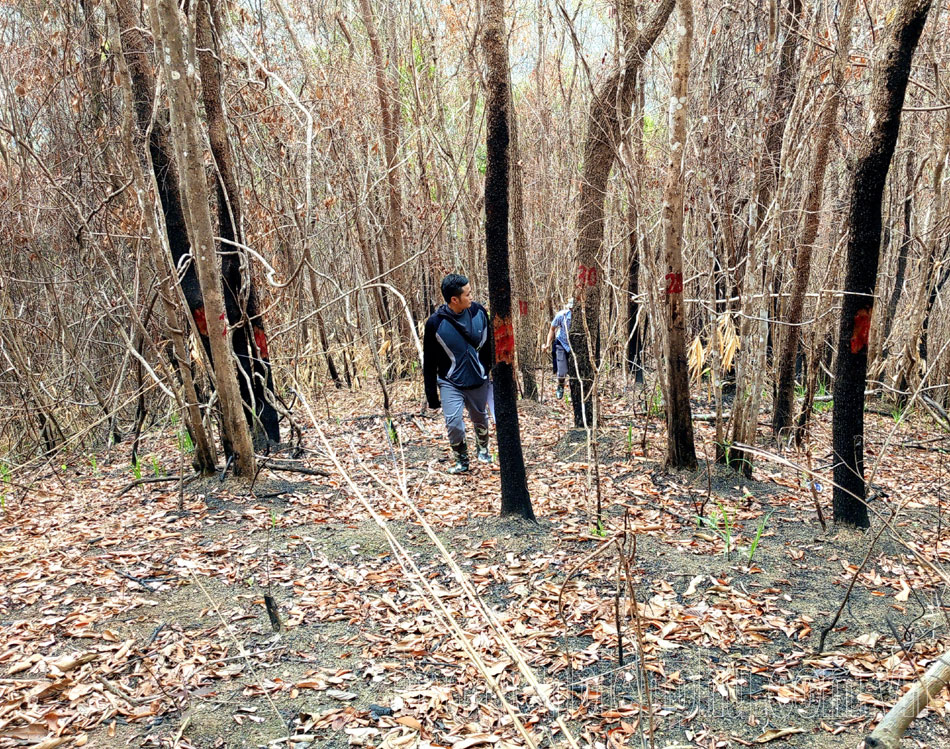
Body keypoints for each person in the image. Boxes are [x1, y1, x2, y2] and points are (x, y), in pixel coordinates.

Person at [423, 274, 494, 474]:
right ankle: (462, 461)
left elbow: (490, 344)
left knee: (480, 418)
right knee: (453, 423)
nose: (471, 297)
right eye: (467, 294)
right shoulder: (435, 324)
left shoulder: (479, 312)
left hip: (478, 379)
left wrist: (490, 370)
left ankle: (483, 450)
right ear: (454, 299)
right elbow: (429, 361)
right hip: (450, 382)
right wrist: (432, 396)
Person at [541, 298, 573, 400]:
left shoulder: (582, 317)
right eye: (571, 308)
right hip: (561, 344)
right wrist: (547, 344)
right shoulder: (561, 315)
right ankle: (560, 386)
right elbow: (552, 329)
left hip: (574, 347)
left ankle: (575, 392)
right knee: (562, 372)